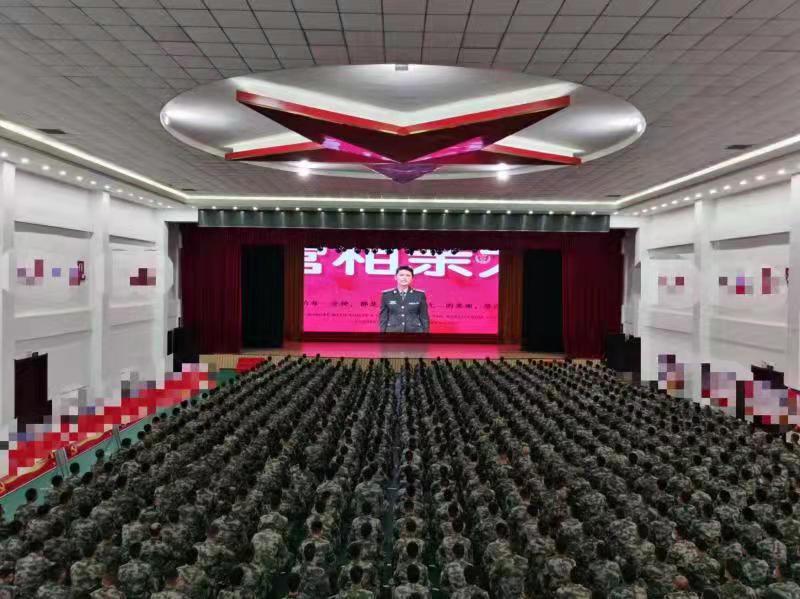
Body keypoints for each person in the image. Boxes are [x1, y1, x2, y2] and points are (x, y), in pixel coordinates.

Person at [379, 266, 429, 333]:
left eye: (408, 275)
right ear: (395, 277)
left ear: (412, 278)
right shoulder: (387, 295)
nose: (404, 278)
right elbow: (383, 318)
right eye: (401, 275)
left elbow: (424, 317)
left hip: (415, 331)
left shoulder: (419, 295)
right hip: (392, 331)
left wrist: (426, 334)